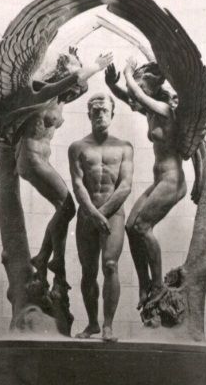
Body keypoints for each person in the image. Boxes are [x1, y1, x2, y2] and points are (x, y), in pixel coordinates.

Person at [14, 48, 112, 283]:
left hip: (40, 158)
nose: (76, 71)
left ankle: (46, 257)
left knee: (65, 207)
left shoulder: (60, 98)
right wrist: (93, 66)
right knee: (67, 206)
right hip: (31, 156)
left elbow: (80, 85)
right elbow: (75, 80)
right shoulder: (40, 90)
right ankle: (51, 257)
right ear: (60, 71)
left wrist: (79, 66)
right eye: (71, 67)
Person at [106, 57, 186, 308]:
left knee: (142, 226)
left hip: (173, 180)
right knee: (131, 227)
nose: (134, 93)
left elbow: (138, 97)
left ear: (150, 88)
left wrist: (128, 73)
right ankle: (145, 286)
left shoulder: (165, 110)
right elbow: (132, 99)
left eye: (139, 87)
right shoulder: (150, 111)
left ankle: (158, 286)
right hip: (159, 179)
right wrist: (112, 85)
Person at [68, 93, 134, 342]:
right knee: (87, 271)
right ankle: (93, 324)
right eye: (95, 111)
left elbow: (125, 185)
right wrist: (93, 214)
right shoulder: (77, 147)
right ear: (88, 115)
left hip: (112, 215)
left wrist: (102, 214)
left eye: (104, 110)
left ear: (112, 113)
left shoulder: (124, 147)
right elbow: (77, 185)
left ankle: (108, 325)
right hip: (87, 214)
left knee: (110, 265)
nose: (100, 115)